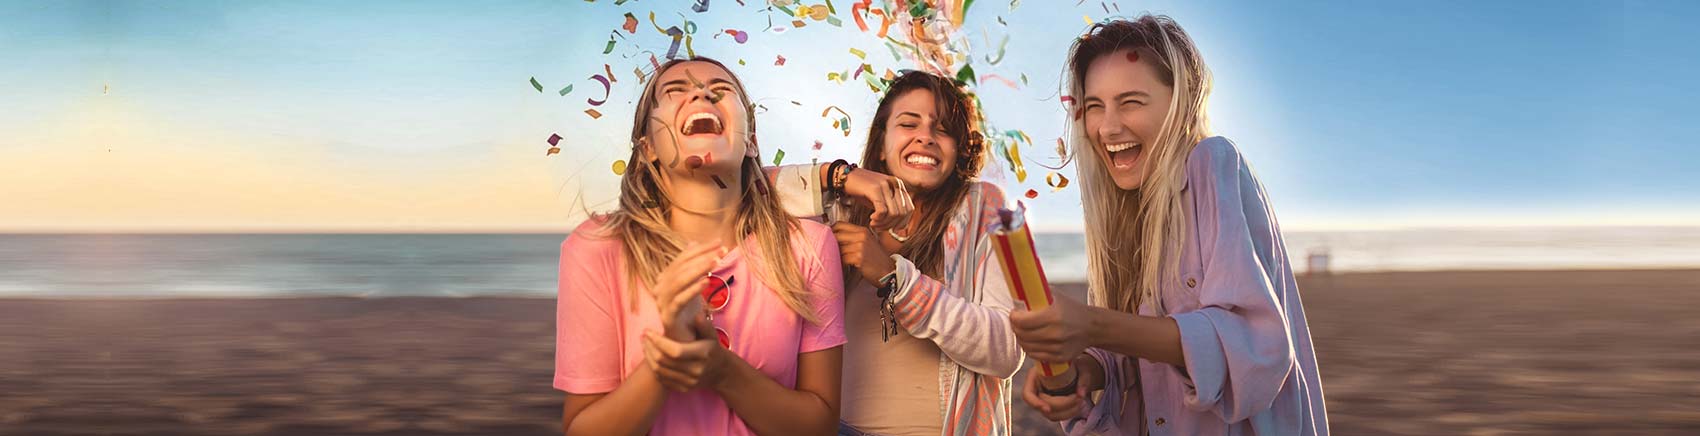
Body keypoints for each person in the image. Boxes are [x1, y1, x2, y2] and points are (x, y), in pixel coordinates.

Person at [1009, 15, 1329, 435]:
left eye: (1131, 102)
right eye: (1093, 107)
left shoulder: (1212, 163)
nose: (1107, 127)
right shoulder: (1123, 213)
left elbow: (1254, 349)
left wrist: (1091, 325)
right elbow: (1142, 354)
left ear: (1182, 102)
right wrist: (1088, 366)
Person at [554, 57, 846, 436]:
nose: (702, 93)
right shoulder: (597, 247)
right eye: (676, 91)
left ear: (751, 143)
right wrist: (667, 360)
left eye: (720, 90)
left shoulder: (810, 246)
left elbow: (819, 426)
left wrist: (722, 370)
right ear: (648, 149)